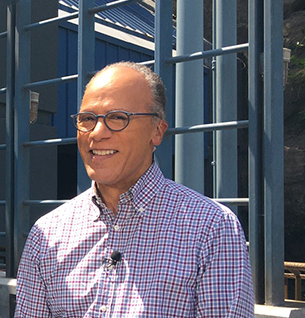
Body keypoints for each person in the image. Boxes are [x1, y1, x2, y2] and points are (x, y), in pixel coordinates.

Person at [15, 62, 254, 317]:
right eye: (87, 119)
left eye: (117, 118)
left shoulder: (211, 228)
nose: (96, 133)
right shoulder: (48, 234)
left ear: (157, 131)